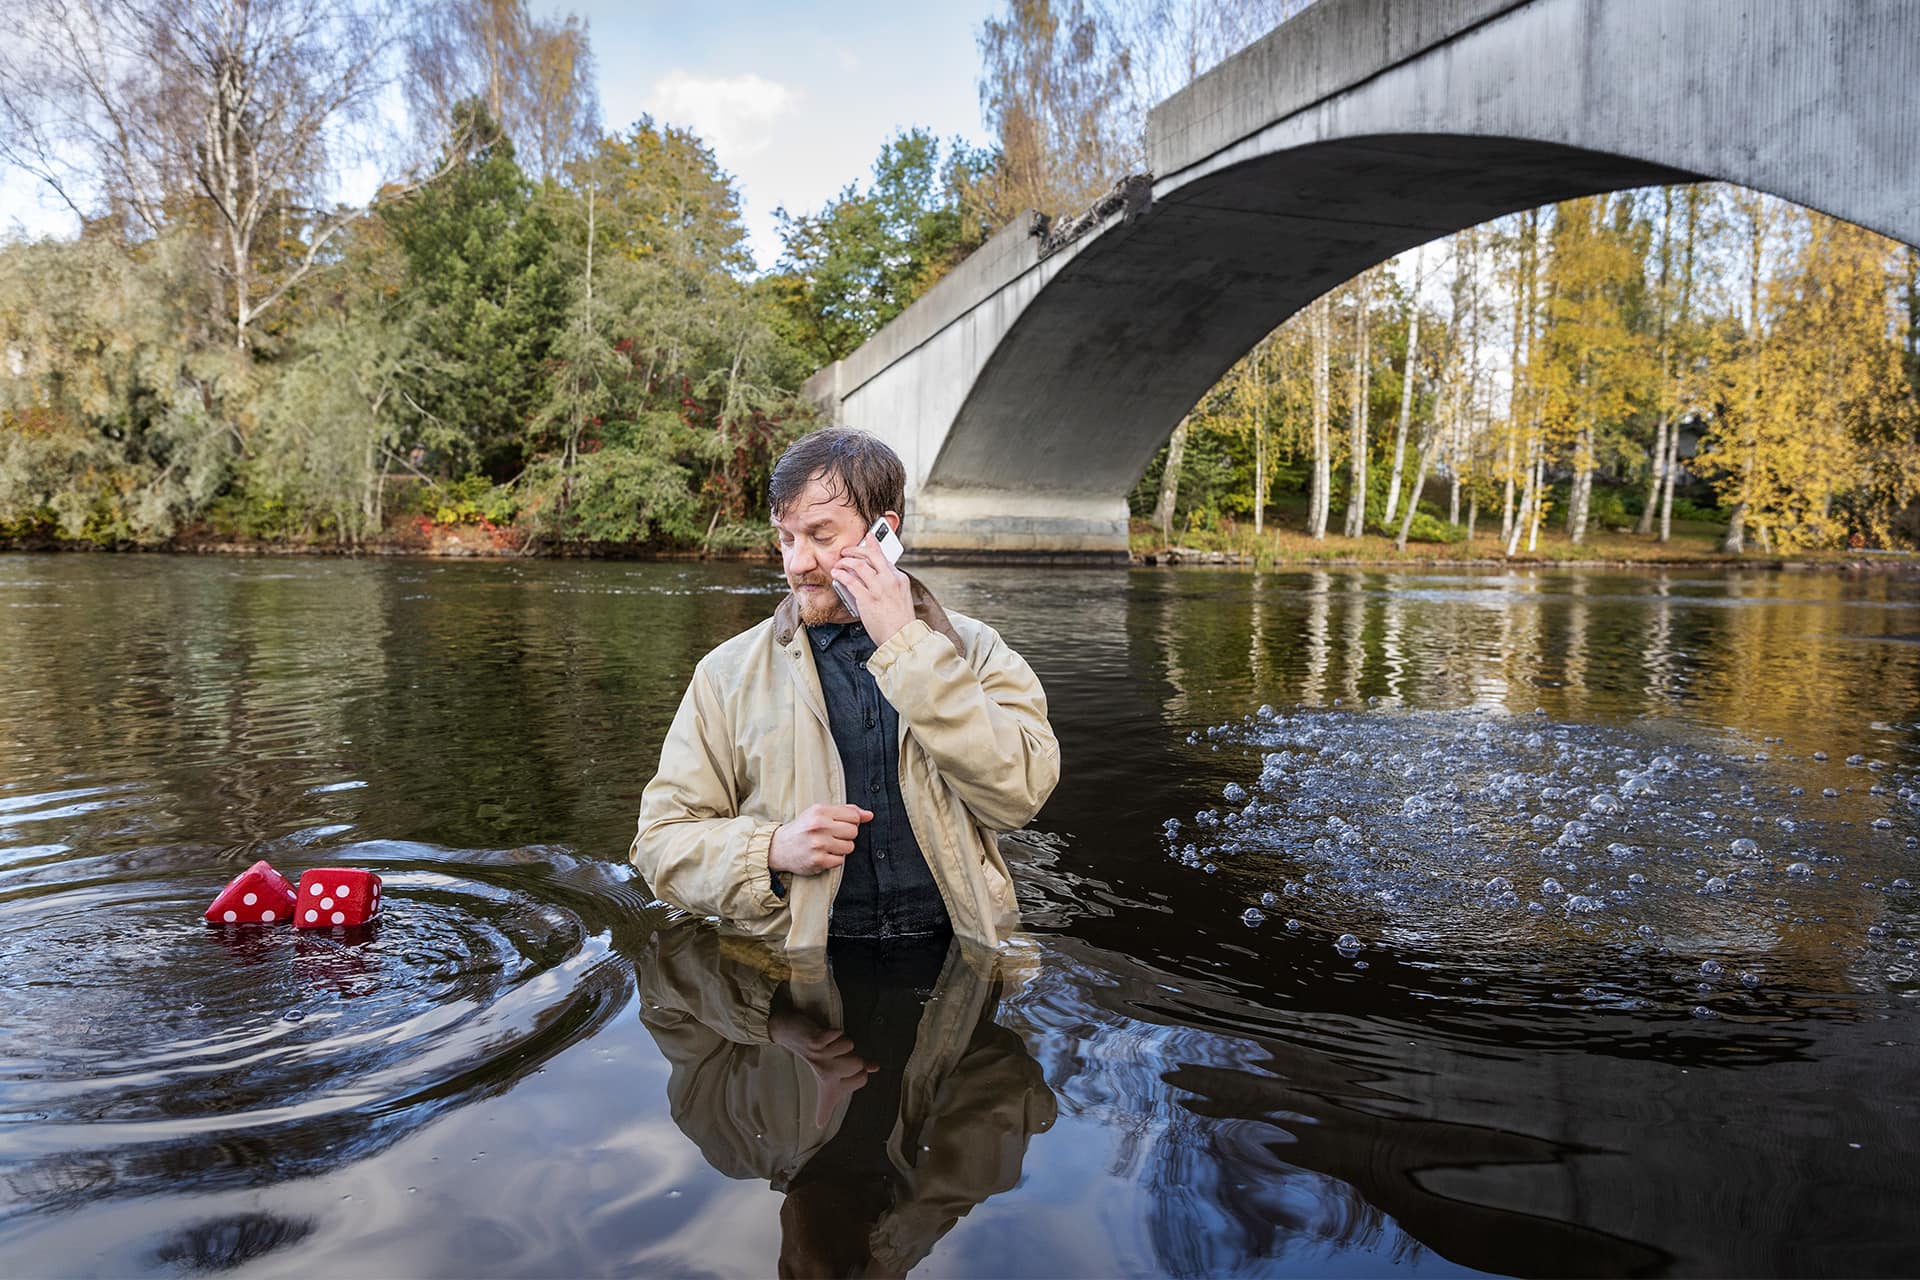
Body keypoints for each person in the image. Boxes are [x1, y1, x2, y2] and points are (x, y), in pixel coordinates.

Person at [631, 428, 1059, 949]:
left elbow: (1019, 798)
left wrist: (908, 647)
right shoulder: (724, 674)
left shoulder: (975, 649)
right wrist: (769, 848)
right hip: (793, 973)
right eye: (786, 538)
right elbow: (658, 847)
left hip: (962, 958)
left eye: (820, 535)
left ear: (884, 532)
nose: (796, 563)